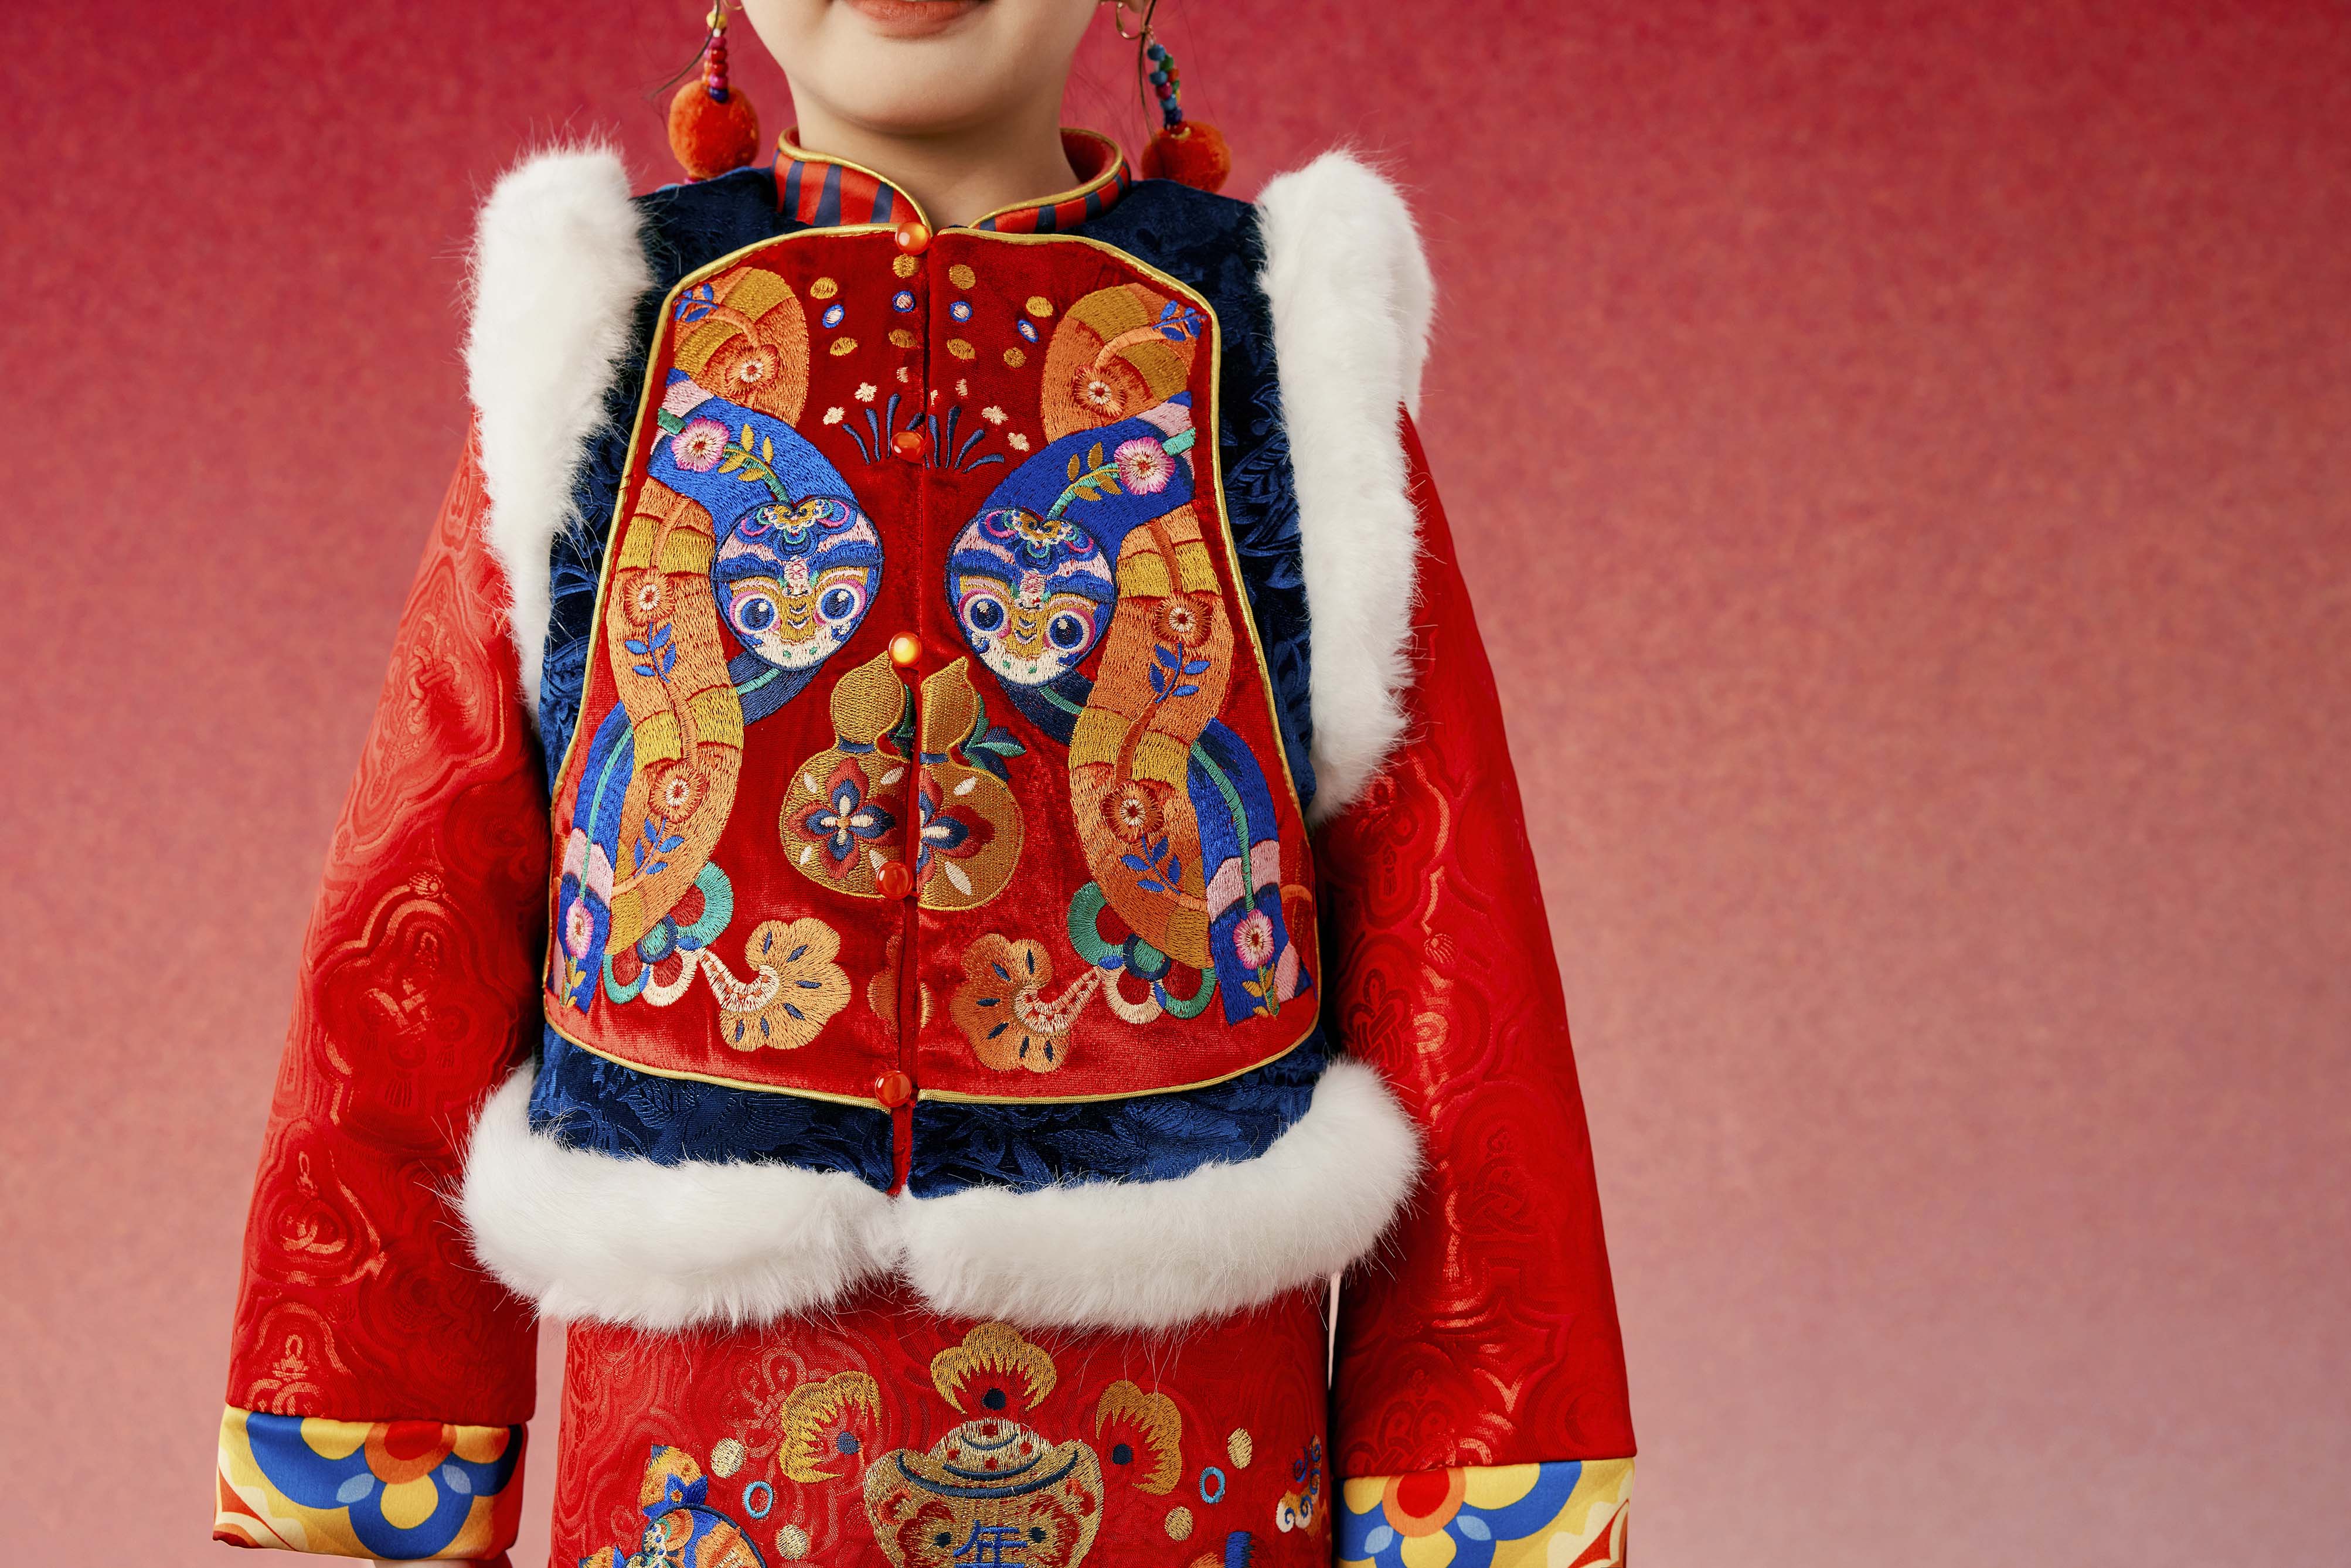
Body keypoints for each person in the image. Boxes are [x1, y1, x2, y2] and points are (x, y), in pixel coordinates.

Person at [210, 2, 1635, 1564]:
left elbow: (1451, 952)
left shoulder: (1277, 343)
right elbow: (417, 931)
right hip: (698, 1444)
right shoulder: (603, 330)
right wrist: (367, 1460)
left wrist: (1479, 1474)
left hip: (1183, 1444)